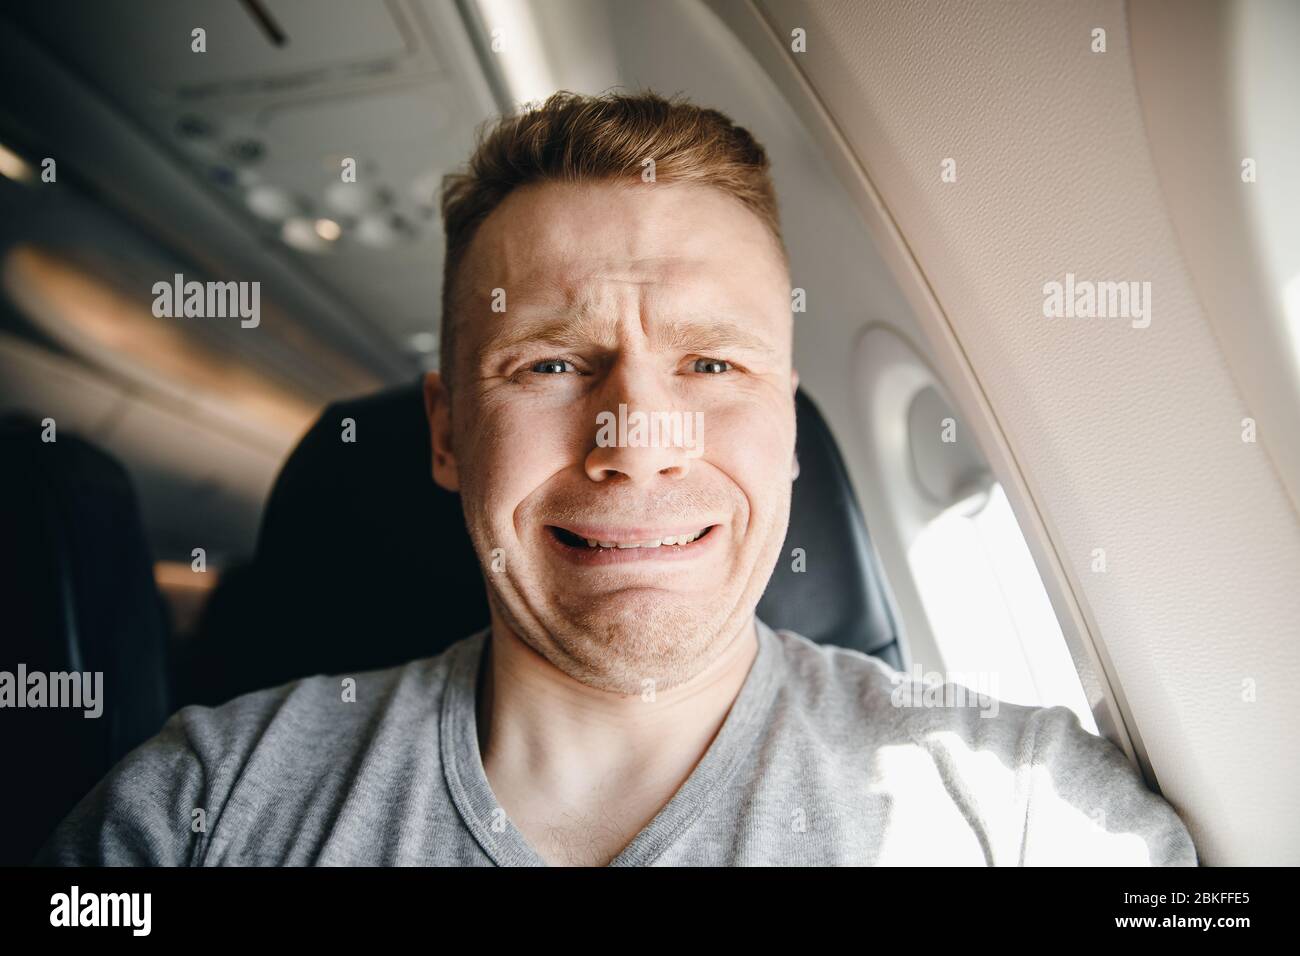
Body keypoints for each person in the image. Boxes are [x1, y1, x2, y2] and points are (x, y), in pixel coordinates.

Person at [36, 91, 1197, 866]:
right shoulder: (195, 814)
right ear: (446, 434)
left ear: (787, 427)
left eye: (710, 362)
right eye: (550, 362)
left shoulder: (1028, 814)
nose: (637, 438)